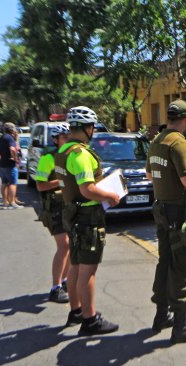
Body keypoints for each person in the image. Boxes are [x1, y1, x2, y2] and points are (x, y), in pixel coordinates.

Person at [146, 100, 186, 343]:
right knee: (183, 266)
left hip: (162, 211)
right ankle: (180, 326)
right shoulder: (179, 144)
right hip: (179, 212)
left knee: (165, 263)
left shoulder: (156, 142)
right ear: (185, 119)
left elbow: (150, 174)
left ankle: (161, 315)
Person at [54, 106, 122, 335]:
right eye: (92, 127)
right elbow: (87, 189)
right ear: (87, 128)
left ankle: (76, 310)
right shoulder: (81, 154)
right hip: (87, 217)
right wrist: (111, 196)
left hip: (72, 215)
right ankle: (90, 319)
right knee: (88, 270)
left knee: (74, 265)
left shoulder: (63, 151)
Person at [34, 123, 71, 304]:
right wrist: (61, 181)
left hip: (70, 206)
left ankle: (65, 281)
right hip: (54, 208)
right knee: (63, 245)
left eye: (69, 137)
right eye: (64, 137)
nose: (68, 140)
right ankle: (55, 288)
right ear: (55, 140)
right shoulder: (48, 158)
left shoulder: (72, 156)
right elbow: (40, 185)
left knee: (71, 245)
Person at [0, 122, 21, 209]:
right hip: (9, 164)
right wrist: (15, 158)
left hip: (1, 164)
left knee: (4, 183)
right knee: (12, 183)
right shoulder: (10, 138)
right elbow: (12, 149)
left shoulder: (2, 138)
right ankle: (12, 203)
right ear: (12, 129)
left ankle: (5, 202)